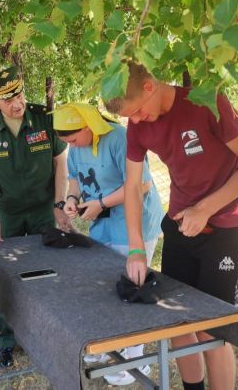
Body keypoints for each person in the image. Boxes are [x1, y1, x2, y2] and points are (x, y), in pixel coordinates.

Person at [104, 63, 238, 390]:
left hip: (224, 227)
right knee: (177, 322)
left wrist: (205, 209)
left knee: (212, 328)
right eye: (129, 117)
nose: (134, 122)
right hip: (181, 226)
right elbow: (133, 187)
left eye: (137, 111)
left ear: (150, 86)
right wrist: (137, 249)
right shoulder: (138, 126)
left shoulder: (206, 101)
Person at [53, 102, 164, 386]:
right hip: (103, 222)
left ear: (89, 127)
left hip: (135, 224)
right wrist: (72, 200)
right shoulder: (76, 147)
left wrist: (100, 203)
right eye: (66, 143)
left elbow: (141, 185)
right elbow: (75, 178)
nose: (72, 146)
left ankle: (133, 359)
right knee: (104, 283)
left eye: (74, 140)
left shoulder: (119, 138)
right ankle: (106, 347)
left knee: (133, 286)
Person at [0, 66, 70, 368]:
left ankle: (43, 334)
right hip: (7, 214)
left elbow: (61, 167)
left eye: (20, 94)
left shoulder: (44, 119)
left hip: (43, 210)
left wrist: (59, 205)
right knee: (7, 276)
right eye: (9, 99)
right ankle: (7, 339)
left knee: (45, 272)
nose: (18, 103)